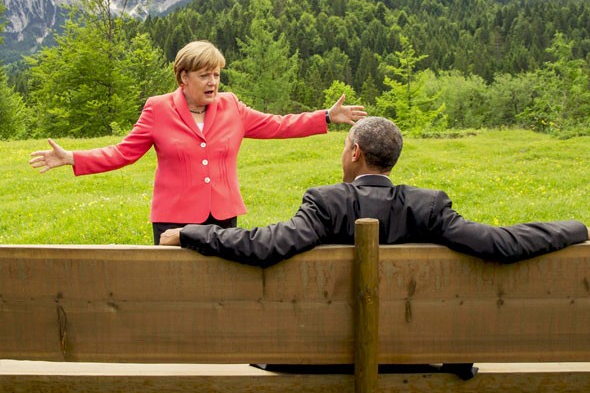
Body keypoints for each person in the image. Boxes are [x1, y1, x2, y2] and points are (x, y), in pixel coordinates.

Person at [29, 40, 367, 245]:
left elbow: (277, 125)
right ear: (183, 77)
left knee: (220, 288)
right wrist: (73, 157)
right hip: (173, 217)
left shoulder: (232, 105)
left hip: (222, 216)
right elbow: (123, 153)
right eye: (205, 75)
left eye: (217, 74)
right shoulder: (157, 109)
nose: (213, 82)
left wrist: (325, 116)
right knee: (175, 291)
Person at [159, 115, 590, 266]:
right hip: (413, 353)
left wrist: (191, 232)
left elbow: (266, 245)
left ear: (354, 153)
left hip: (324, 355)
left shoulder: (325, 203)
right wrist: (574, 229)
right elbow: (501, 243)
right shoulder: (428, 206)